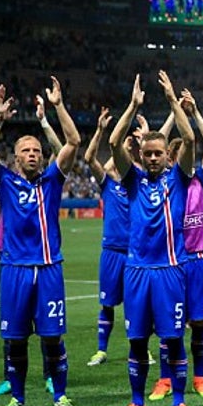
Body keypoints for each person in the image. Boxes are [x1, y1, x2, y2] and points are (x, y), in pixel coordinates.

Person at [0, 78, 80, 406]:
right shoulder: (4, 181)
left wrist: (58, 106)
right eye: (26, 150)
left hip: (49, 269)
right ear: (16, 157)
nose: (33, 154)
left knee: (52, 339)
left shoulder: (52, 180)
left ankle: (61, 396)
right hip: (15, 270)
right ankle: (18, 398)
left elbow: (74, 141)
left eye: (37, 150)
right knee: (15, 340)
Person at [109, 72, 199, 406]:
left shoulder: (178, 178)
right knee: (135, 341)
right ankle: (136, 402)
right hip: (136, 272)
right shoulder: (131, 180)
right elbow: (115, 142)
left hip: (169, 271)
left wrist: (173, 101)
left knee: (173, 339)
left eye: (158, 153)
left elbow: (189, 138)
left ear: (166, 156)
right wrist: (132, 107)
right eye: (146, 153)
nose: (151, 158)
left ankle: (179, 401)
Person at [147, 89, 203, 401]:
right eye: (175, 157)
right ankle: (164, 379)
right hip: (175, 259)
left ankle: (200, 378)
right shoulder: (167, 184)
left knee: (199, 320)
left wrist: (194, 113)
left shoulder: (201, 178)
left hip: (200, 258)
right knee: (168, 322)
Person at [83, 107, 129, 367]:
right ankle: (101, 349)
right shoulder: (108, 186)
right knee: (107, 304)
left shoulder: (139, 186)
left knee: (135, 305)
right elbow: (90, 158)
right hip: (111, 251)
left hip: (134, 253)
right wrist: (100, 130)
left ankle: (141, 348)